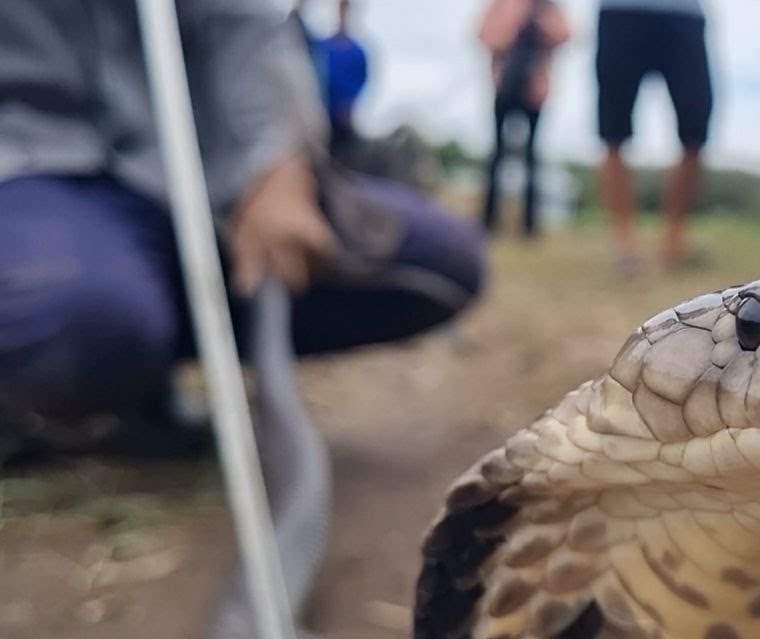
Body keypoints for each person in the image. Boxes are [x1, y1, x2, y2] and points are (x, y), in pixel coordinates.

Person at [0, 0, 486, 463]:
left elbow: (246, 22)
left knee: (444, 261)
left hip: (204, 173)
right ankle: (67, 387)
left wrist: (276, 161)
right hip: (29, 174)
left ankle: (130, 342)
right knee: (78, 310)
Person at [595, 0, 714, 274]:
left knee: (695, 131)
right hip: (620, 11)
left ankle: (675, 240)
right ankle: (626, 246)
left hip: (684, 13)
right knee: (613, 132)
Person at [476, 0, 572, 238]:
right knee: (497, 154)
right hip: (504, 88)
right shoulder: (500, 4)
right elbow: (484, 36)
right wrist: (513, 24)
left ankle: (530, 225)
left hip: (536, 91)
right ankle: (488, 221)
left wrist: (540, 24)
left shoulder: (547, 6)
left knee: (533, 157)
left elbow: (565, 35)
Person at [315, 0, 370, 157]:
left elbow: (361, 80)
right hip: (322, 117)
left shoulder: (357, 52)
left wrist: (349, 104)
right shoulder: (322, 47)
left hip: (344, 121)